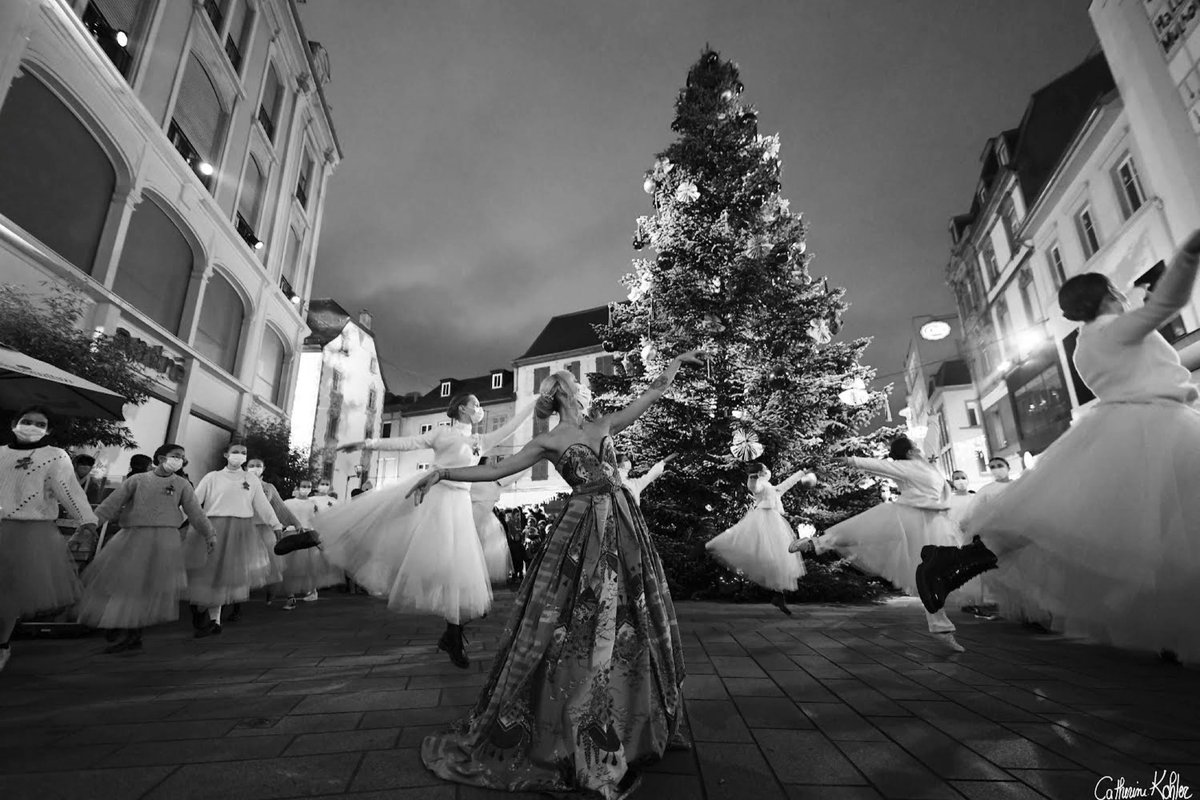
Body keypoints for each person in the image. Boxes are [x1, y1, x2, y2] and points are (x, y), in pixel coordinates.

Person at [406, 352, 702, 798]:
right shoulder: (551, 439)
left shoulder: (603, 424)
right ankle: (586, 728)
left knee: (630, 614)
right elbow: (495, 469)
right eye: (572, 382)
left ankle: (632, 721)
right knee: (576, 619)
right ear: (564, 392)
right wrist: (443, 472)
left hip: (623, 526)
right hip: (584, 529)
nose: (579, 387)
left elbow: (653, 393)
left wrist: (677, 362)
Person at [917, 230, 1200, 663]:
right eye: (1117, 291)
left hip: (1137, 425)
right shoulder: (1109, 332)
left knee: (1079, 527)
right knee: (1156, 529)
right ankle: (948, 565)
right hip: (1151, 426)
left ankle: (950, 563)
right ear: (1107, 296)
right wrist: (1187, 256)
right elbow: (1165, 306)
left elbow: (1159, 361)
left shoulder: (1090, 342)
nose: (1124, 295)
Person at [275, 394, 534, 668]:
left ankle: (453, 636)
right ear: (462, 408)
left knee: (455, 571)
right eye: (477, 404)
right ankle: (314, 537)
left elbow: (513, 426)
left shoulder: (480, 440)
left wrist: (537, 401)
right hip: (430, 493)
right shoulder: (443, 433)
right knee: (377, 527)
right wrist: (367, 443)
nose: (480, 409)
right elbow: (406, 443)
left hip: (459, 505)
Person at [792, 436, 967, 653]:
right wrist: (849, 460)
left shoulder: (929, 465)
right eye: (915, 447)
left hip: (934, 524)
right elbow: (879, 466)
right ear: (910, 452)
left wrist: (932, 418)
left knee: (931, 579)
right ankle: (815, 543)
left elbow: (931, 445)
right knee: (863, 531)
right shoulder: (905, 467)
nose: (920, 449)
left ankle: (942, 630)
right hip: (908, 517)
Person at [73, 444, 214, 653]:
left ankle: (132, 632)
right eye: (175, 456)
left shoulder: (182, 484)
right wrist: (89, 526)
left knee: (147, 587)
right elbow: (110, 505)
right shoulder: (137, 481)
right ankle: (119, 623)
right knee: (123, 583)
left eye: (182, 458)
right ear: (160, 457)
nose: (179, 460)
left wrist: (209, 533)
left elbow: (195, 512)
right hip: (133, 536)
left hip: (165, 541)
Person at [0, 407, 99, 672]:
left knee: (10, 592)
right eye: (26, 421)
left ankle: (2, 645)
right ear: (14, 423)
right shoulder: (0, 452)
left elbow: (69, 489)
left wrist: (87, 519)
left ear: (49, 430)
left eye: (39, 424)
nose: (32, 426)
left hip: (30, 533)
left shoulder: (54, 456)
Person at [183, 442, 281, 638]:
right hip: (213, 527)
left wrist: (276, 524)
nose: (240, 455)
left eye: (244, 453)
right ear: (226, 454)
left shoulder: (251, 480)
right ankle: (201, 609)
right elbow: (193, 501)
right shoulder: (213, 477)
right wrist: (182, 520)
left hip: (240, 530)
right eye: (235, 452)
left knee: (225, 574)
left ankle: (214, 620)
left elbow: (262, 504)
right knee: (207, 572)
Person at [706, 462, 816, 615]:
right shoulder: (762, 485)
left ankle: (778, 595)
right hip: (763, 520)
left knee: (780, 558)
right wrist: (752, 477)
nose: (768, 469)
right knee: (766, 554)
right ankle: (710, 546)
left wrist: (802, 472)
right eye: (765, 468)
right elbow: (754, 488)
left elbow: (786, 484)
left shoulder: (771, 487)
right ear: (761, 472)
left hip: (775, 522)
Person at [246, 458, 303, 609]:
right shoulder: (239, 483)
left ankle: (271, 592)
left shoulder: (268, 487)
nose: (255, 468)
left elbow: (280, 507)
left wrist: (295, 522)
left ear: (264, 468)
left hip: (264, 530)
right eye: (251, 465)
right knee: (242, 563)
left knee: (270, 566)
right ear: (246, 467)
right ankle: (237, 600)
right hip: (243, 528)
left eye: (258, 465)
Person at [278, 479, 344, 610]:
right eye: (303, 486)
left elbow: (318, 519)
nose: (306, 488)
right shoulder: (288, 502)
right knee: (289, 568)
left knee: (308, 568)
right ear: (298, 487)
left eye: (308, 486)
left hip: (308, 537)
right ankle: (290, 597)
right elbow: (281, 517)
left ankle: (311, 591)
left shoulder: (313, 503)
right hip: (292, 534)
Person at [469, 457, 527, 584]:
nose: (493, 464)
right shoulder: (475, 478)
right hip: (474, 518)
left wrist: (527, 464)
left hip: (484, 519)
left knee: (485, 551)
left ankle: (477, 577)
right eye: (490, 462)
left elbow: (513, 474)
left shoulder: (492, 480)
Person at [504, 508, 526, 584]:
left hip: (519, 543)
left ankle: (520, 573)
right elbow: (510, 532)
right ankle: (514, 573)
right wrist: (513, 536)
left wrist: (520, 535)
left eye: (519, 514)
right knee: (514, 559)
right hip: (513, 543)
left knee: (520, 559)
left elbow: (520, 530)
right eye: (517, 515)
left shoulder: (519, 522)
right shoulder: (510, 522)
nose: (518, 516)